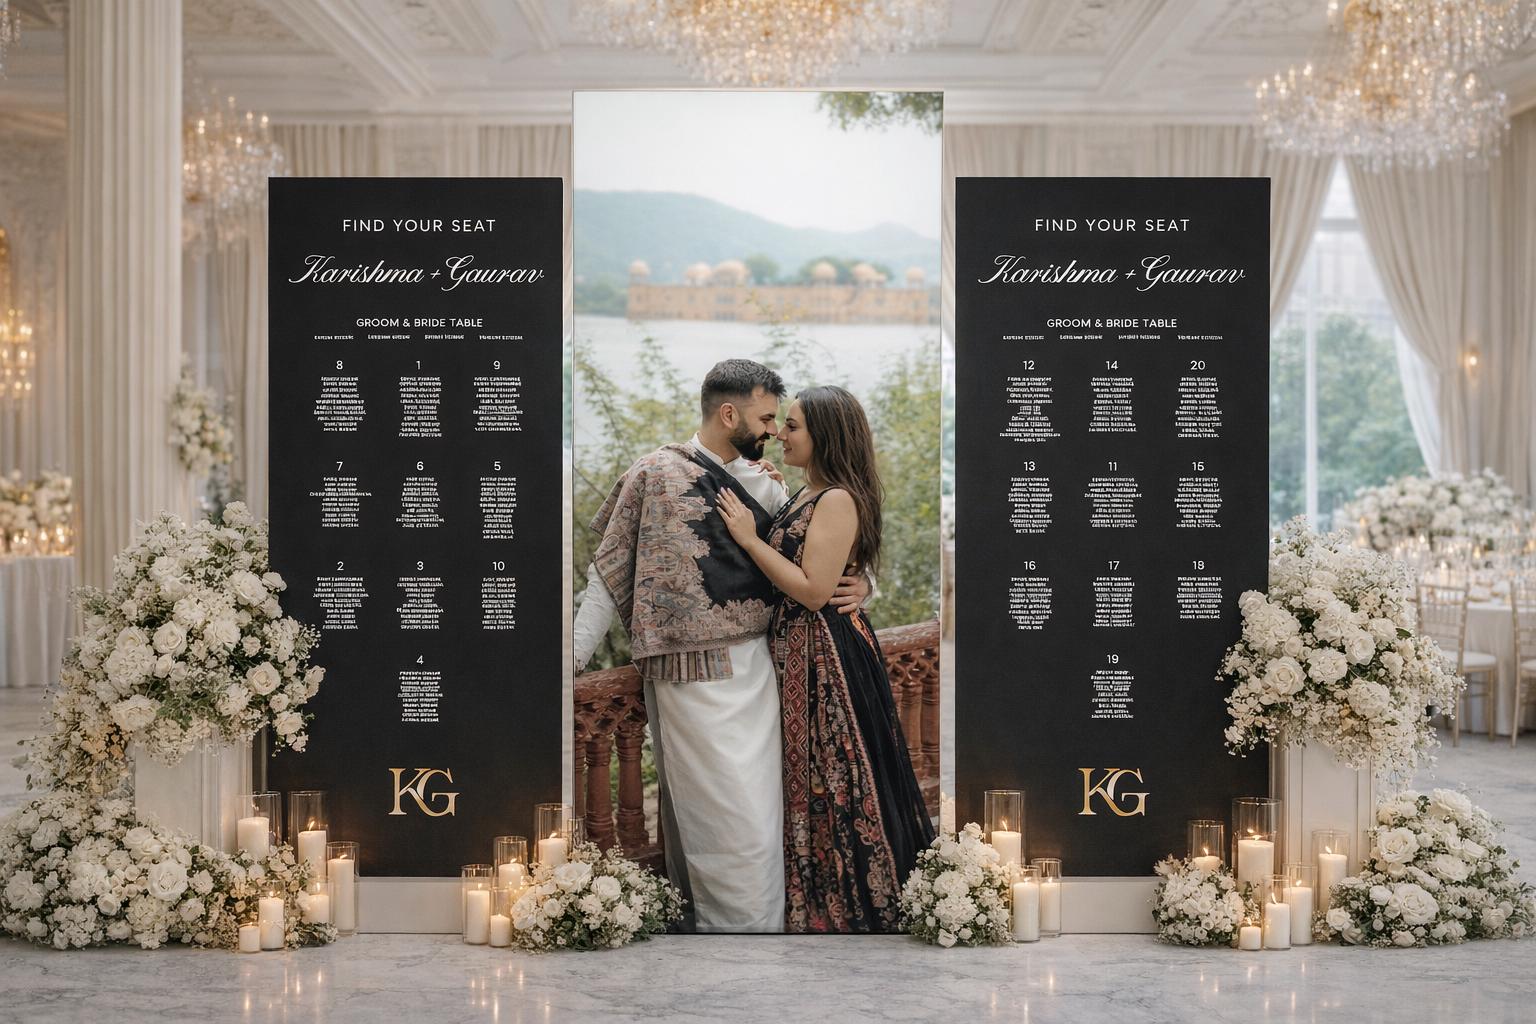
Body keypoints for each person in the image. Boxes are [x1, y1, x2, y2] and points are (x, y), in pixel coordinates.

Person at [573, 359, 869, 932]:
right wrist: (571, 661)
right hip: (687, 673)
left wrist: (862, 584)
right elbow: (607, 576)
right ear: (728, 413)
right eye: (765, 418)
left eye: (781, 422)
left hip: (761, 668)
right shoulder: (655, 474)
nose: (773, 431)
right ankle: (731, 939)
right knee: (717, 817)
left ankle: (759, 940)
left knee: (759, 816)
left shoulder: (763, 482)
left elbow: (813, 553)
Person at [718, 385, 935, 933]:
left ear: (825, 437)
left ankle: (845, 904)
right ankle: (810, 897)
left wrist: (748, 538)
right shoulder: (806, 493)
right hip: (798, 654)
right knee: (806, 776)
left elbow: (814, 592)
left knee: (836, 778)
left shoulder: (837, 498)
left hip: (826, 657)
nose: (778, 434)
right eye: (782, 423)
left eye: (792, 426)